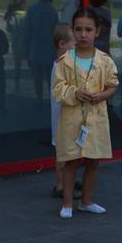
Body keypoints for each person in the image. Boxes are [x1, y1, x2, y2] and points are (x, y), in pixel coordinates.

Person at [52, 7, 118, 218]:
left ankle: (87, 201)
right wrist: (74, 92)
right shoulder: (65, 61)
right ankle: (68, 203)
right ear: (73, 31)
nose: (83, 34)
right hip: (72, 119)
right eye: (78, 29)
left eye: (88, 30)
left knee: (93, 162)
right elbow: (57, 89)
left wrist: (102, 96)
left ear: (97, 32)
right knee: (71, 161)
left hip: (95, 119)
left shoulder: (105, 61)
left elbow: (113, 84)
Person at [48, 22, 77, 198]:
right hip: (61, 117)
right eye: (72, 42)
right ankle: (60, 185)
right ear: (62, 44)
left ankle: (68, 180)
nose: (75, 45)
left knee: (69, 151)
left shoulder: (65, 64)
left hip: (66, 116)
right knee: (62, 153)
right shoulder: (60, 66)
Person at [25, 0, 59, 100]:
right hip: (49, 46)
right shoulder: (52, 10)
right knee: (50, 76)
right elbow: (56, 30)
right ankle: (51, 99)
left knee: (37, 76)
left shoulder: (32, 9)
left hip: (35, 45)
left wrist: (26, 47)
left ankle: (39, 98)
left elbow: (28, 30)